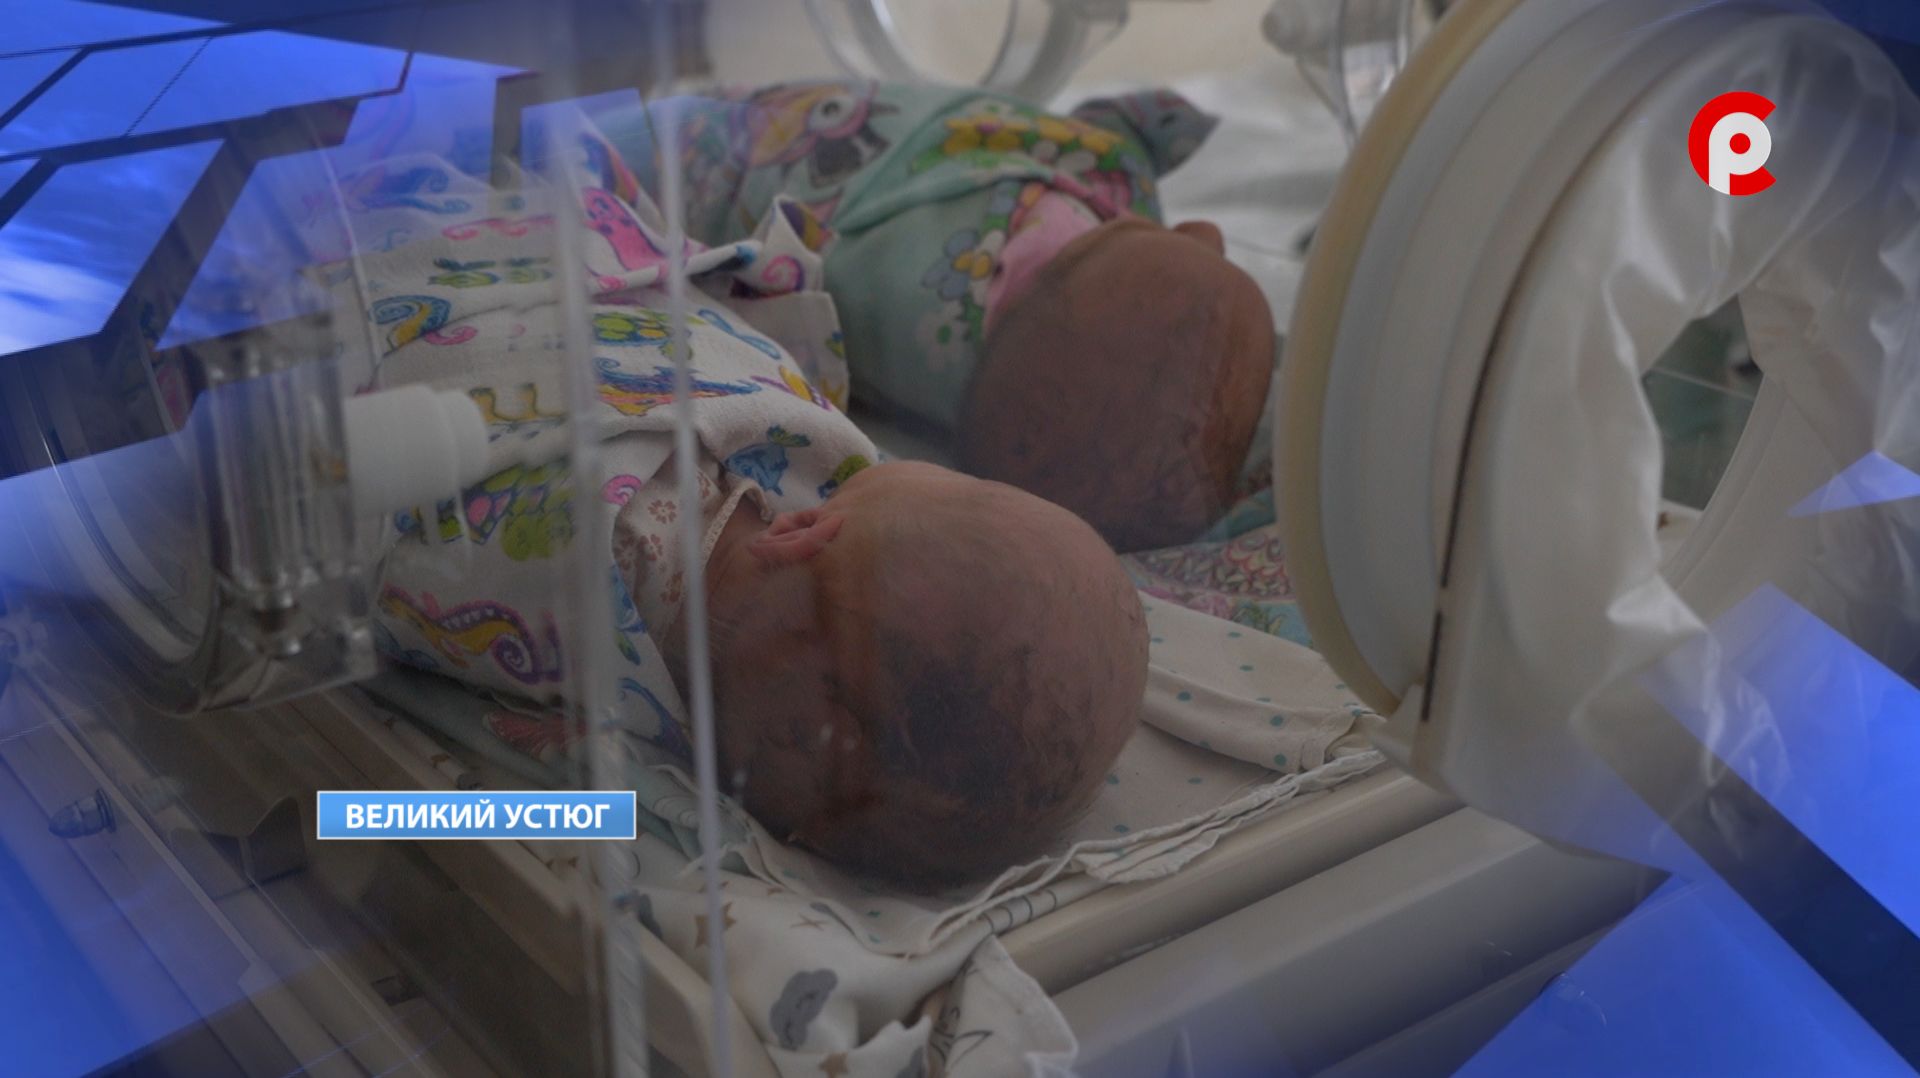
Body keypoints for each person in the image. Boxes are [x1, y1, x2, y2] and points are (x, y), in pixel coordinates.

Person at [599, 81, 1277, 551]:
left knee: (664, 137)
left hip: (766, 147)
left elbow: (1136, 159)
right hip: (738, 171)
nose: (1208, 233)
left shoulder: (1106, 192)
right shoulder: (986, 386)